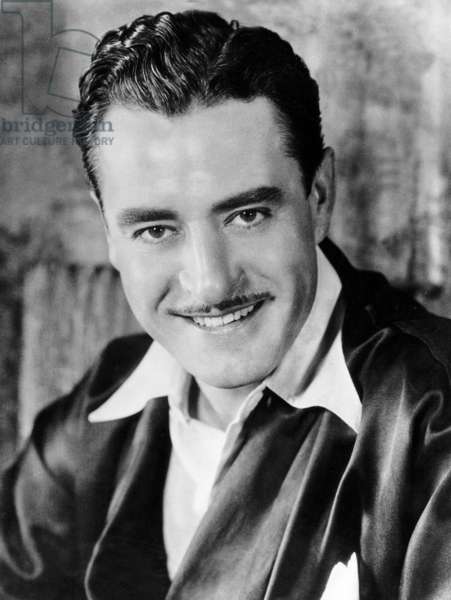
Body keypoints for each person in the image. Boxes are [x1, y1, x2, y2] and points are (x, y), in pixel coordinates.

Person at [1, 9, 451, 600]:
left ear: (318, 196)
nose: (211, 284)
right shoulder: (91, 416)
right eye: (156, 229)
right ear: (109, 231)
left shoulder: (433, 418)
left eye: (247, 215)